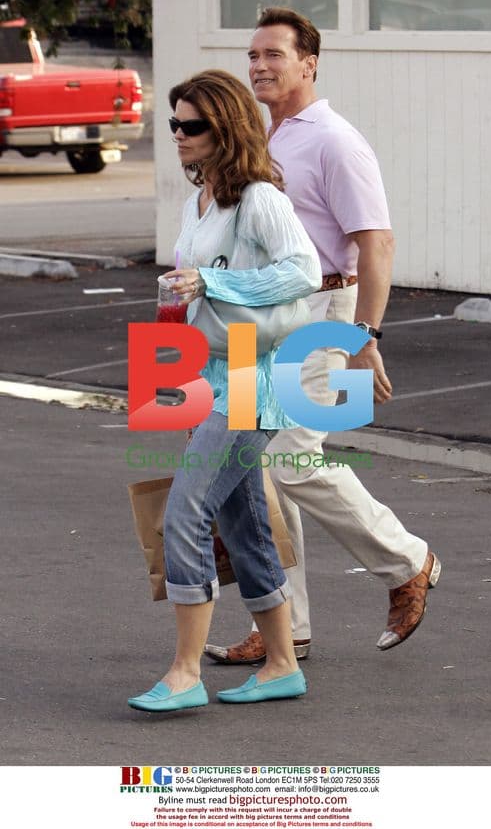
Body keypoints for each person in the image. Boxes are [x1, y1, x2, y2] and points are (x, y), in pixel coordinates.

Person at [204, 7, 441, 666]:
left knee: (288, 457)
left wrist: (365, 335)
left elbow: (377, 243)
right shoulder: (259, 137)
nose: (259, 66)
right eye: (253, 56)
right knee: (254, 472)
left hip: (321, 311)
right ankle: (285, 626)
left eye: (273, 55)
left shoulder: (336, 141)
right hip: (258, 319)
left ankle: (407, 560)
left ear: (309, 63)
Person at [127, 69, 322, 712]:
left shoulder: (259, 198)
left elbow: (303, 271)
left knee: (186, 514)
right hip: (208, 371)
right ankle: (283, 665)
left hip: (248, 374)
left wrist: (214, 284)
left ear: (226, 128)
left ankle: (185, 673)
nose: (178, 134)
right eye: (174, 123)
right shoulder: (200, 200)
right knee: (244, 525)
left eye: (192, 125)